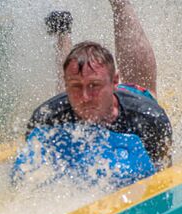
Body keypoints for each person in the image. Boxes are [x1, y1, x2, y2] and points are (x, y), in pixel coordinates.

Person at [13, 0, 172, 187]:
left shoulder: (147, 117)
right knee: (72, 89)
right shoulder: (46, 118)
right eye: (75, 87)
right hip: (69, 100)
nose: (86, 97)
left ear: (115, 82)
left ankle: (120, 3)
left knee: (141, 84)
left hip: (131, 98)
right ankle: (62, 29)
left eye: (94, 86)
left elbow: (165, 178)